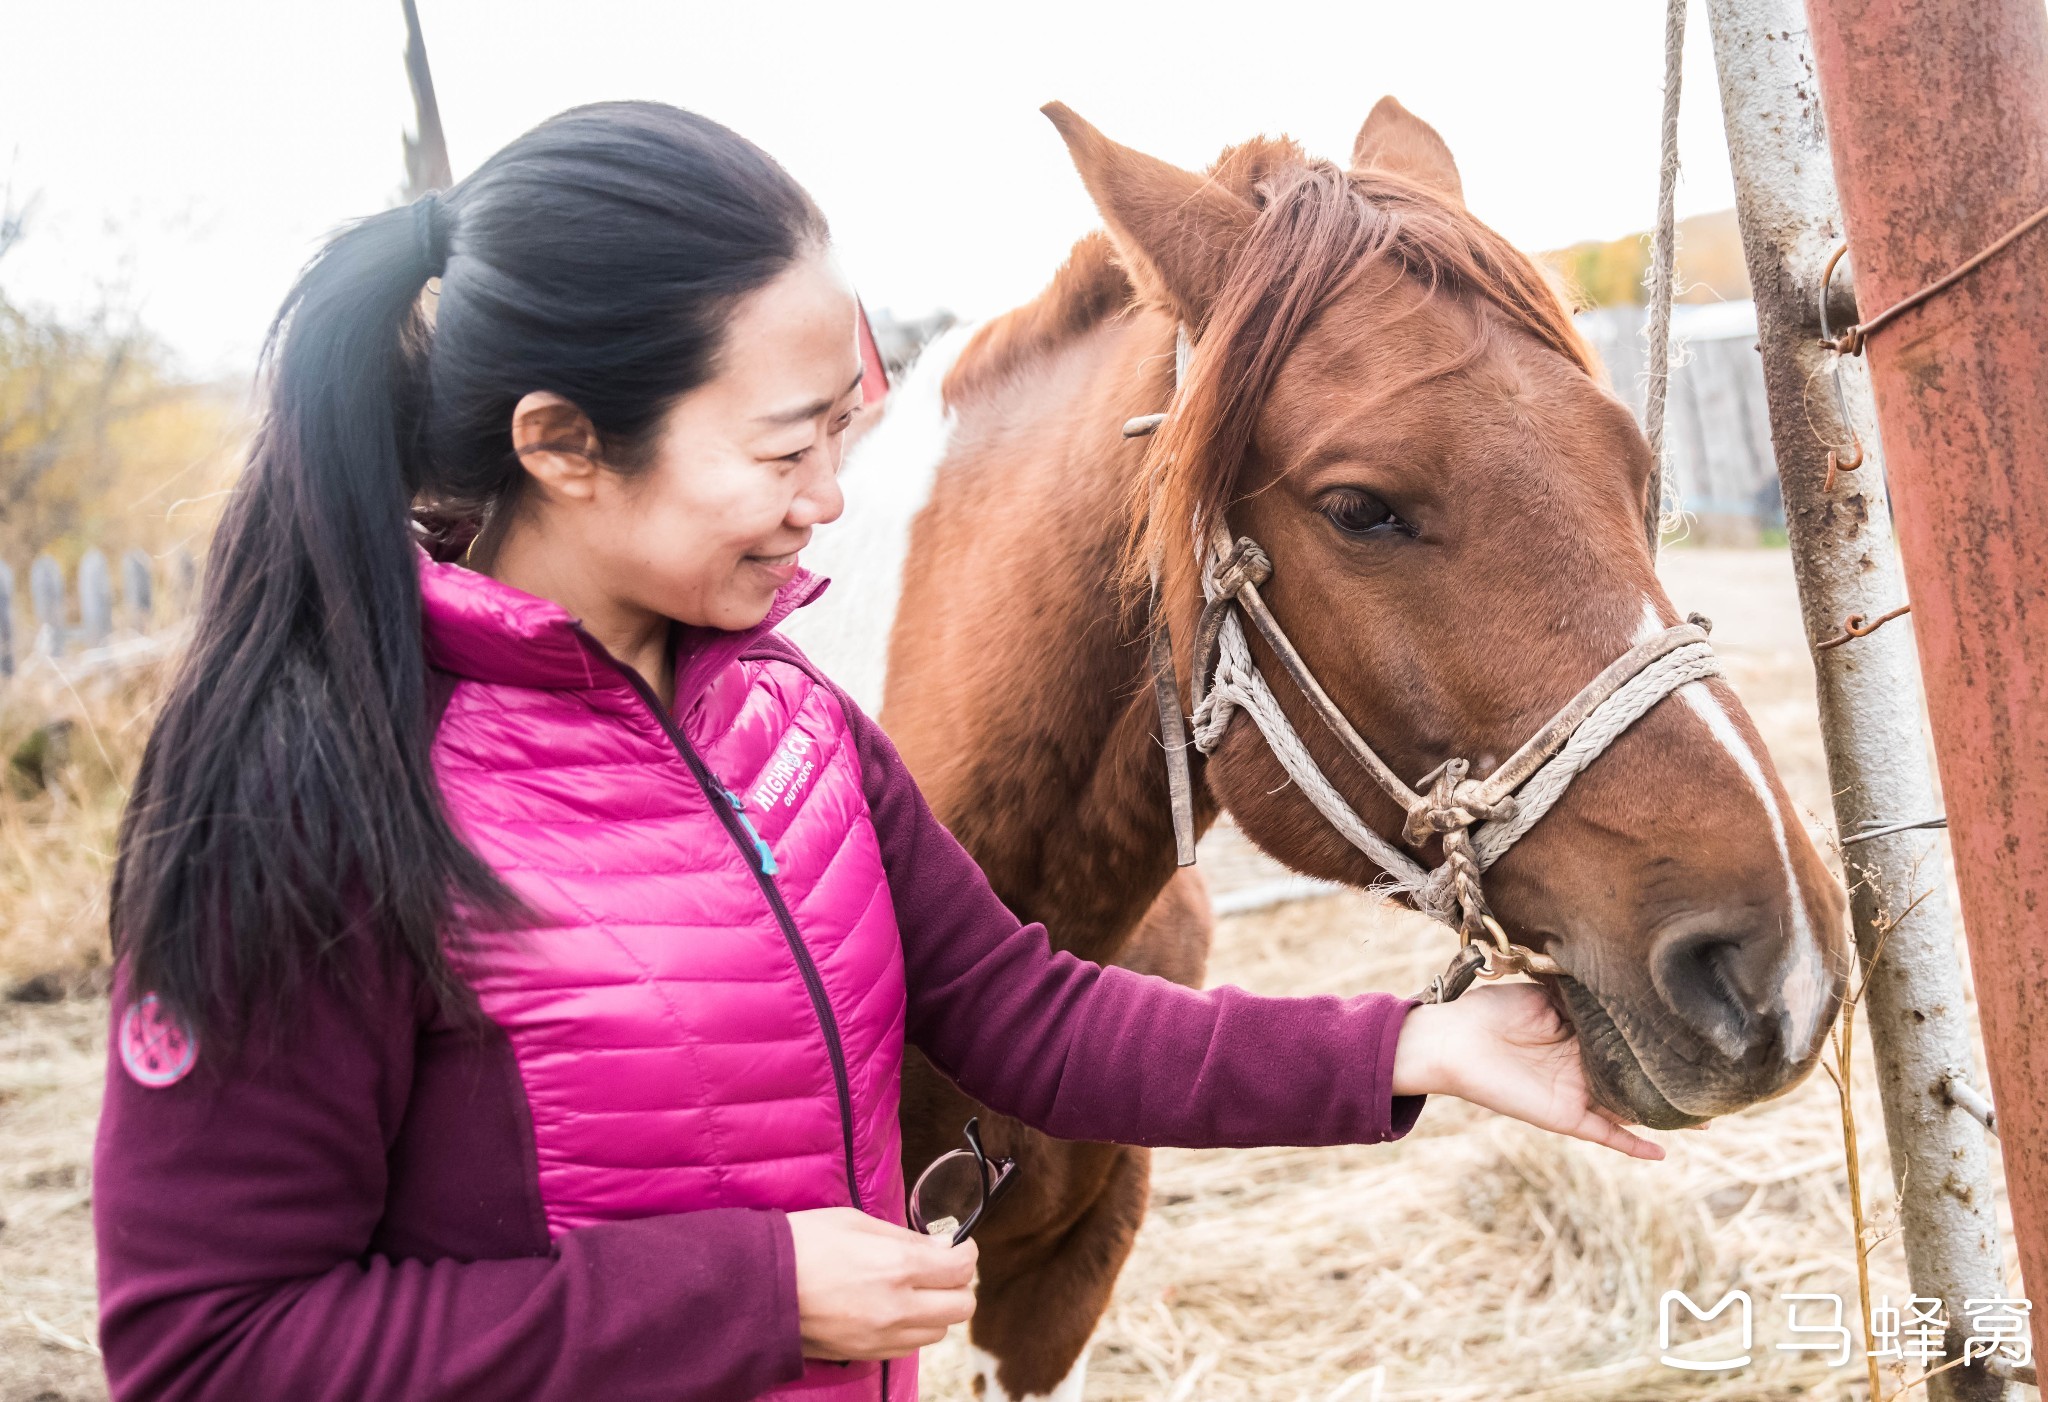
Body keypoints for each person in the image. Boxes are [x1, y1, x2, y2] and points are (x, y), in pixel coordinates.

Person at [92, 101, 1661, 1402]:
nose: (831, 499)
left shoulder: (788, 727)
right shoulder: (312, 801)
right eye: (785, 449)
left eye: (845, 432)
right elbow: (205, 1345)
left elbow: (1021, 1013)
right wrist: (749, 1292)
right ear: (564, 443)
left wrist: (1405, 1047)